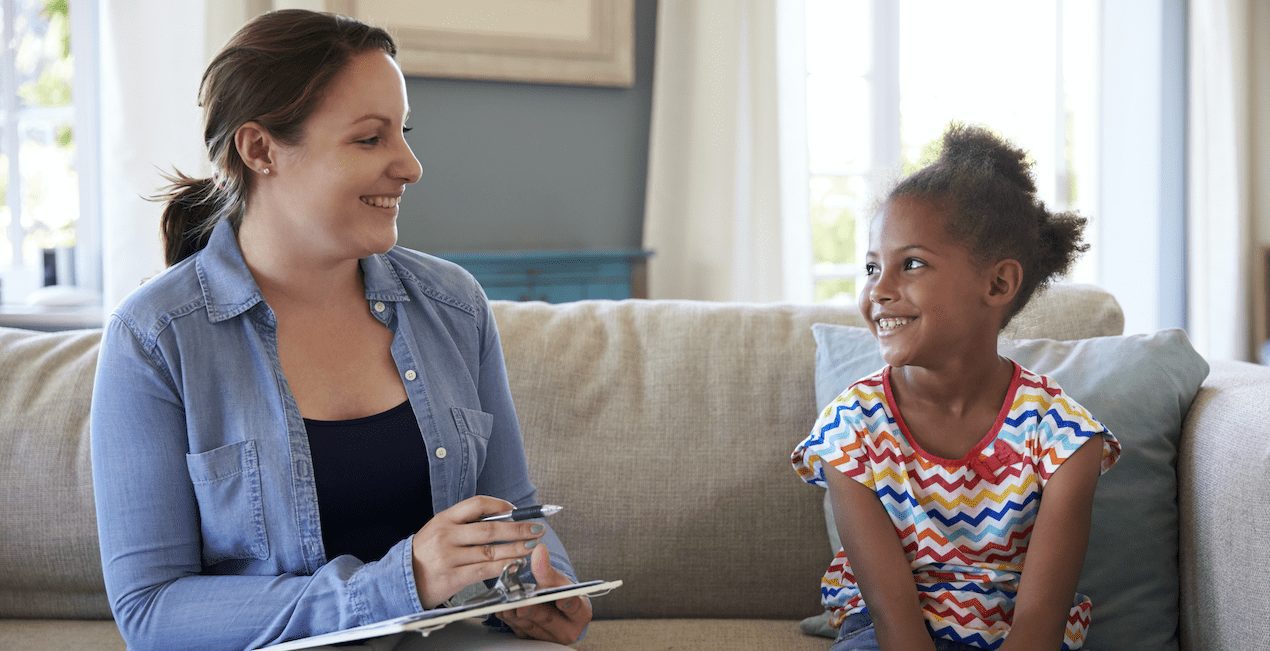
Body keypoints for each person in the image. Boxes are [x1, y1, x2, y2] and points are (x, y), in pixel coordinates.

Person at [90, 10, 591, 649]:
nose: (410, 166)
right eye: (369, 139)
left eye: (403, 133)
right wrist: (398, 580)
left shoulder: (453, 306)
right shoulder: (157, 339)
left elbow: (511, 511)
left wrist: (540, 589)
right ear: (260, 149)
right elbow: (152, 613)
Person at [791, 125, 1121, 650]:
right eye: (873, 266)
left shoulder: (1062, 438)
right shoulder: (850, 430)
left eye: (912, 264)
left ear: (997, 284)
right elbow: (894, 618)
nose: (878, 289)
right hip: (889, 633)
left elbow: (1037, 629)